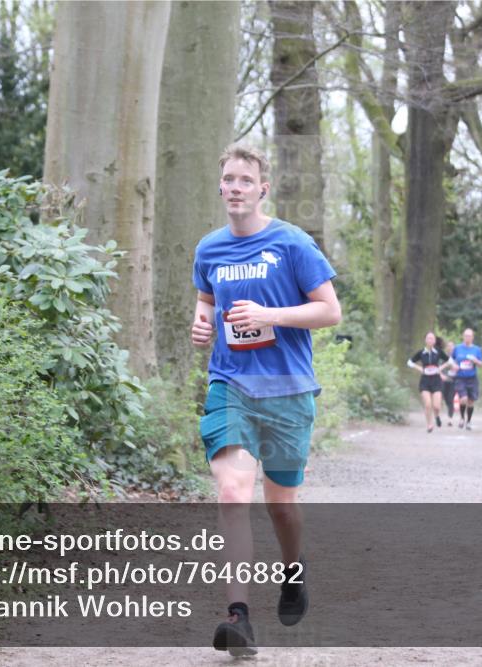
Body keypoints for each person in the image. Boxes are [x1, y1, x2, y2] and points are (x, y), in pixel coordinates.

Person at [191, 143, 342, 656]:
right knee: (234, 493)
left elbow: (329, 311)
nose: (234, 187)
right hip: (230, 385)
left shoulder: (292, 243)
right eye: (228, 179)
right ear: (222, 187)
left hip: (289, 392)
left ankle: (293, 572)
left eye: (244, 180)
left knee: (281, 507)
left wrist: (271, 315)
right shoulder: (209, 248)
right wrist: (201, 320)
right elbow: (207, 298)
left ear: (262, 189)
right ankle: (239, 617)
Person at [407, 332, 452, 433]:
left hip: (436, 381)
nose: (430, 340)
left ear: (434, 341)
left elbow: (450, 361)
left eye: (432, 339)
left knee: (436, 406)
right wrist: (420, 369)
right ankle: (429, 424)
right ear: (425, 340)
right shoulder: (421, 353)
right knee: (427, 404)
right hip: (425, 381)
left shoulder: (439, 352)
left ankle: (436, 416)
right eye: (428, 338)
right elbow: (409, 362)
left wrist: (440, 368)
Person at [451, 328, 482, 430]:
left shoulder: (477, 349)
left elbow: (481, 364)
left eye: (469, 336)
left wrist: (475, 361)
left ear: (473, 337)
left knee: (470, 401)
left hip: (472, 378)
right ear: (463, 336)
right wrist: (453, 366)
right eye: (466, 336)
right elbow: (451, 360)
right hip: (460, 377)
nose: (467, 338)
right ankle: (462, 418)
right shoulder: (457, 348)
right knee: (463, 399)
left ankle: (468, 421)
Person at [441, 340, 459, 426]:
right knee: (445, 398)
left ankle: (450, 419)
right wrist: (441, 375)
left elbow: (461, 367)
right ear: (447, 348)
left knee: (451, 399)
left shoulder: (458, 357)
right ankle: (450, 410)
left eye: (452, 346)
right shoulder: (443, 357)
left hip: (454, 381)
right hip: (444, 380)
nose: (450, 347)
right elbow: (438, 367)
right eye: (449, 346)